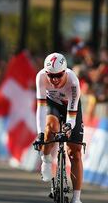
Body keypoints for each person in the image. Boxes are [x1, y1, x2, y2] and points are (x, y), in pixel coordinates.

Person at [34, 52, 84, 203]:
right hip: (52, 104)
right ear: (46, 73)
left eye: (59, 75)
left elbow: (72, 113)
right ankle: (47, 159)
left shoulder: (73, 81)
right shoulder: (41, 77)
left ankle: (76, 198)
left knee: (75, 153)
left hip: (70, 107)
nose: (54, 79)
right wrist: (40, 134)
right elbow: (41, 107)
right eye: (51, 75)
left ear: (65, 72)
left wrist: (68, 126)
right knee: (50, 127)